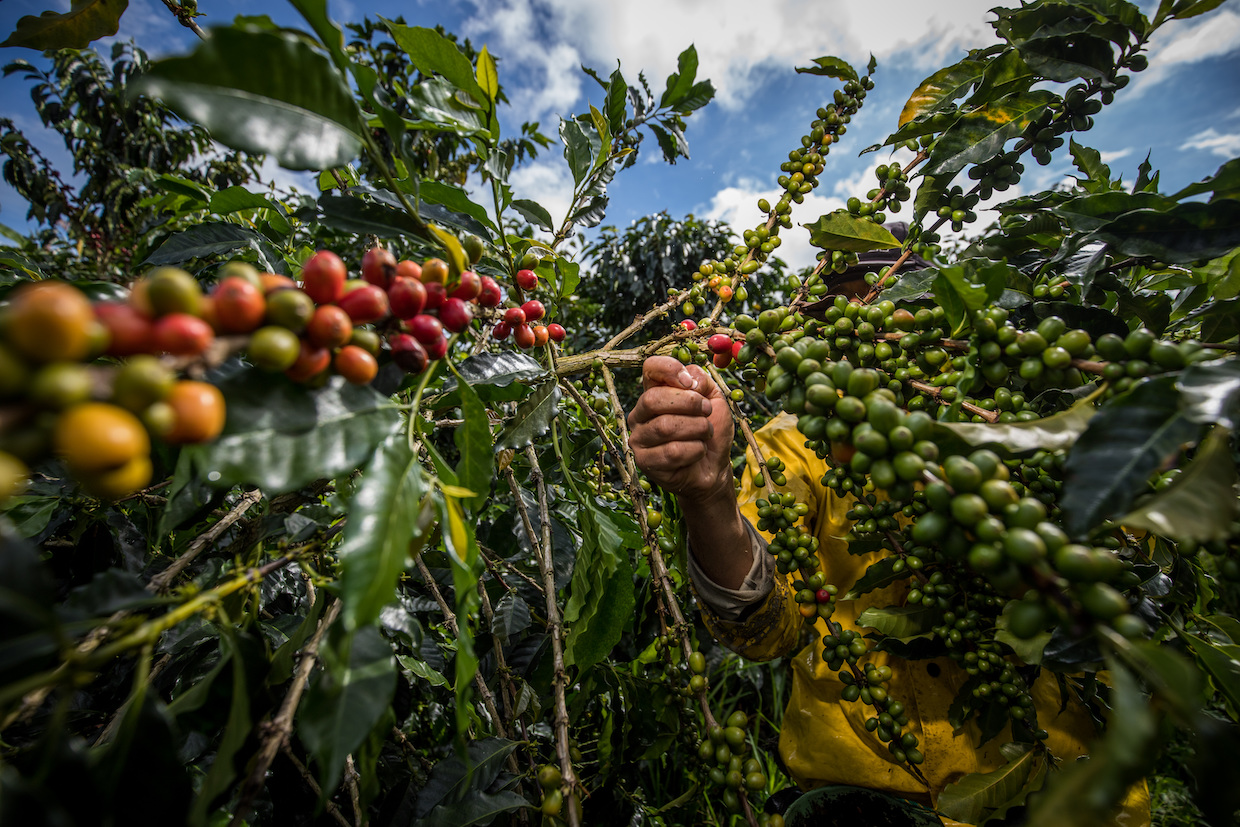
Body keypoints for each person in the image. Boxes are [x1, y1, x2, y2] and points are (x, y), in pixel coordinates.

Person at [625, 320, 1151, 825]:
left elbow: (1121, 577)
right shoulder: (787, 448)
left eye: (882, 316)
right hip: (864, 796)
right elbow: (764, 628)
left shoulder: (1016, 423)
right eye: (843, 317)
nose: (868, 340)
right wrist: (709, 498)